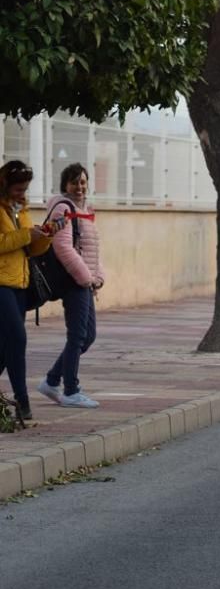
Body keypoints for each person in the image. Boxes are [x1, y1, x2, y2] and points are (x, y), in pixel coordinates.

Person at [34, 164, 104, 410]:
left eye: (83, 182)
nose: (80, 187)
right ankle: (71, 390)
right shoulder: (63, 208)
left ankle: (52, 381)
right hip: (73, 281)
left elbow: (92, 246)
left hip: (84, 281)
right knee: (77, 336)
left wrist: (99, 276)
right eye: (74, 182)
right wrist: (86, 278)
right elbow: (63, 248)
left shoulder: (86, 209)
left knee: (88, 336)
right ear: (65, 185)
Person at [0, 161, 62, 422]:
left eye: (24, 188)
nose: (21, 193)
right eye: (17, 188)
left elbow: (32, 250)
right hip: (1, 283)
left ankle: (20, 401)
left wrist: (45, 236)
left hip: (20, 284)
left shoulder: (22, 210)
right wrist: (27, 234)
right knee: (17, 339)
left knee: (5, 349)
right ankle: (22, 401)